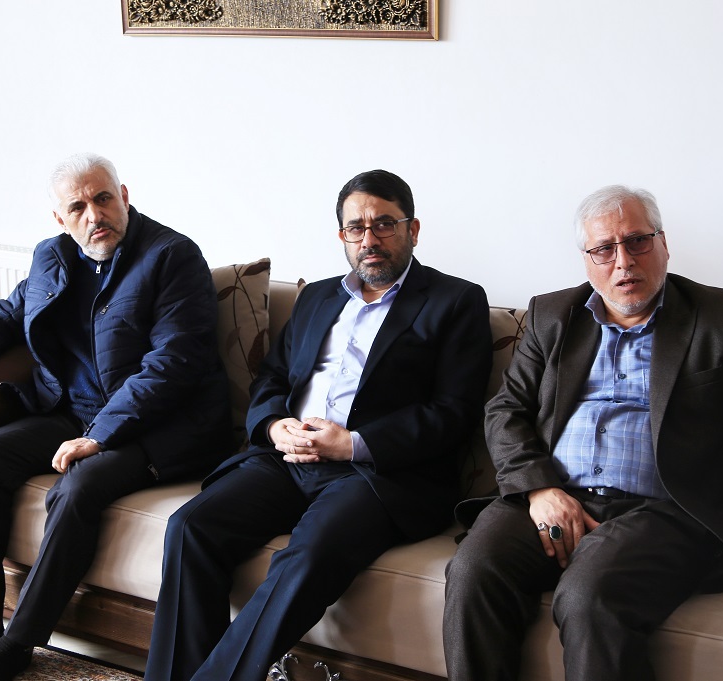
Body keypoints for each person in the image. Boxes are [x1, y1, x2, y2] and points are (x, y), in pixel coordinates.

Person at [442, 185, 723, 680]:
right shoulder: (552, 316)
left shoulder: (722, 318)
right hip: (555, 495)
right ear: (586, 259)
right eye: (603, 249)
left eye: (637, 241)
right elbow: (505, 410)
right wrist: (538, 489)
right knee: (473, 570)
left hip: (666, 511)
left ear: (663, 243)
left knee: (589, 593)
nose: (623, 261)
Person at [143, 169, 493, 681]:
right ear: (342, 236)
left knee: (308, 554)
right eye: (356, 228)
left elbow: (453, 411)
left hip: (375, 474)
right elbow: (273, 377)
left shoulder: (456, 301)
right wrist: (273, 426)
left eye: (384, 224)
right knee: (190, 527)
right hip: (287, 459)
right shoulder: (318, 297)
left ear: (413, 230)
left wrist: (351, 444)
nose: (369, 239)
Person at [0, 153, 234, 681]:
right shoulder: (53, 255)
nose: (94, 215)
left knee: (78, 486)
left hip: (164, 427)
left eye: (103, 199)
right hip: (75, 412)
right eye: (78, 207)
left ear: (124, 196)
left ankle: (20, 642)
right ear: (60, 219)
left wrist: (101, 435)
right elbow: (12, 311)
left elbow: (174, 363)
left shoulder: (172, 256)